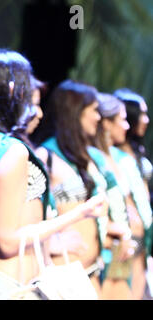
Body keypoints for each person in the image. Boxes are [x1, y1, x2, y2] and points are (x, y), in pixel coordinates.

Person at [0, 48, 105, 300]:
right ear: (14, 90)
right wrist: (80, 214)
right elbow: (7, 241)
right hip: (10, 287)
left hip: (6, 281)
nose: (35, 108)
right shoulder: (11, 151)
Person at [36, 80, 132, 298]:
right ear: (75, 112)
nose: (99, 117)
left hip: (93, 271)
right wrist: (51, 243)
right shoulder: (45, 156)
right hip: (64, 275)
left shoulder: (90, 156)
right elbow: (28, 216)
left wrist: (120, 232)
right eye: (94, 111)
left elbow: (98, 208)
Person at [93, 93, 140, 299]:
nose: (127, 126)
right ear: (106, 123)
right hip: (105, 250)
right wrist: (116, 228)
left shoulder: (119, 157)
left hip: (126, 248)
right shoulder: (91, 158)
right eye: (121, 119)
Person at [113, 88, 153, 299]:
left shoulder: (137, 152)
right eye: (142, 114)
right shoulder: (111, 155)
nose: (146, 120)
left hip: (144, 234)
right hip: (126, 236)